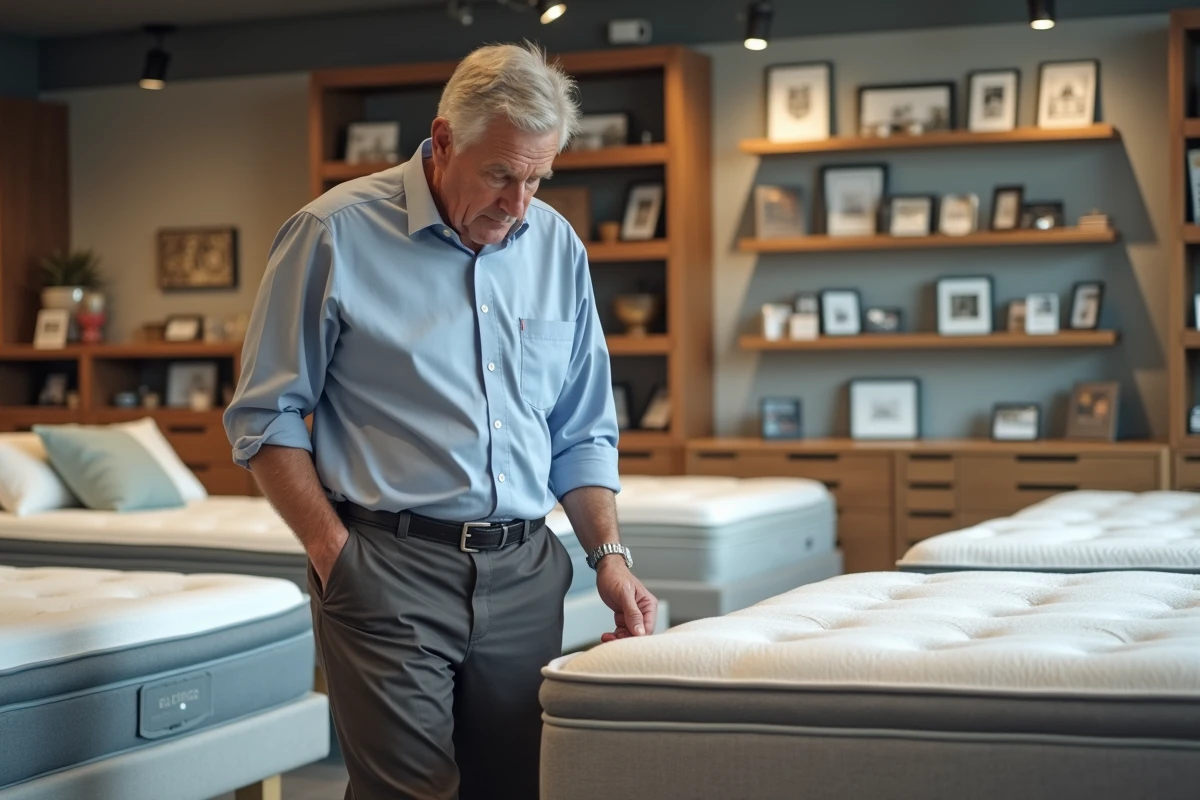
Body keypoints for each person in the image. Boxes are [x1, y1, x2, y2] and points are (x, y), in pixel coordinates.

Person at [223, 42, 658, 800]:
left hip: (525, 573)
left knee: (516, 786)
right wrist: (334, 554)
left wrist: (609, 559)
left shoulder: (556, 245)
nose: (518, 203)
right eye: (501, 174)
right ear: (445, 139)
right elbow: (267, 415)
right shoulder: (332, 232)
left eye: (537, 178)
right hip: (388, 567)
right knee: (411, 791)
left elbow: (581, 428)